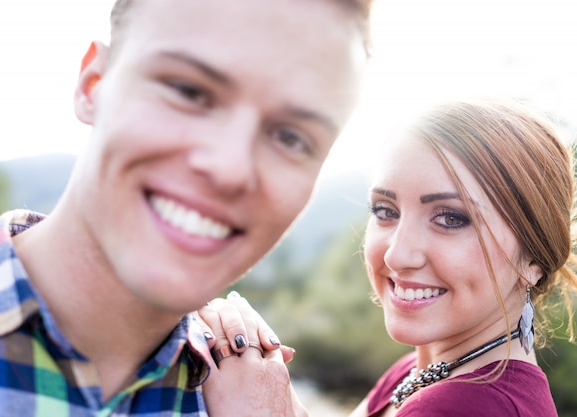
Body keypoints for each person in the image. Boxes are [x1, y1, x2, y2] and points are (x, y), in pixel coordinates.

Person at [0, 0, 371, 415]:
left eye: (293, 138)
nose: (230, 169)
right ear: (93, 84)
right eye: (189, 91)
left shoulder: (260, 401)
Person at [198, 97, 577, 416]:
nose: (397, 254)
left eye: (450, 218)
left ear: (533, 259)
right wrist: (253, 358)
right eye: (385, 211)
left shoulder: (465, 406)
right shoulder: (419, 373)